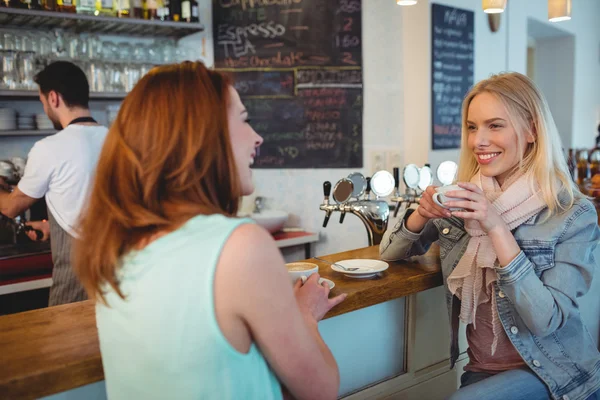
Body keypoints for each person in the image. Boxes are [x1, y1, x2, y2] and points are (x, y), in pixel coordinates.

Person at [73, 62, 346, 400]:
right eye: (244, 120)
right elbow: (322, 390)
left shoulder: (112, 247)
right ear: (201, 137)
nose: (257, 137)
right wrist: (305, 316)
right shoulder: (240, 247)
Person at [380, 72, 600, 400]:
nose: (478, 141)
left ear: (532, 131)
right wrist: (420, 213)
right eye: (472, 127)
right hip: (479, 370)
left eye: (495, 125)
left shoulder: (572, 213)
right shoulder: (464, 198)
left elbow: (546, 320)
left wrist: (496, 227)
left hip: (554, 376)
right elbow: (388, 254)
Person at [0, 61, 108, 306]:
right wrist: (51, 228)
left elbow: (10, 207)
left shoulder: (49, 148)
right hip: (114, 274)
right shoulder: (116, 139)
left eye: (42, 102)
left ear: (53, 98)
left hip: (76, 279)